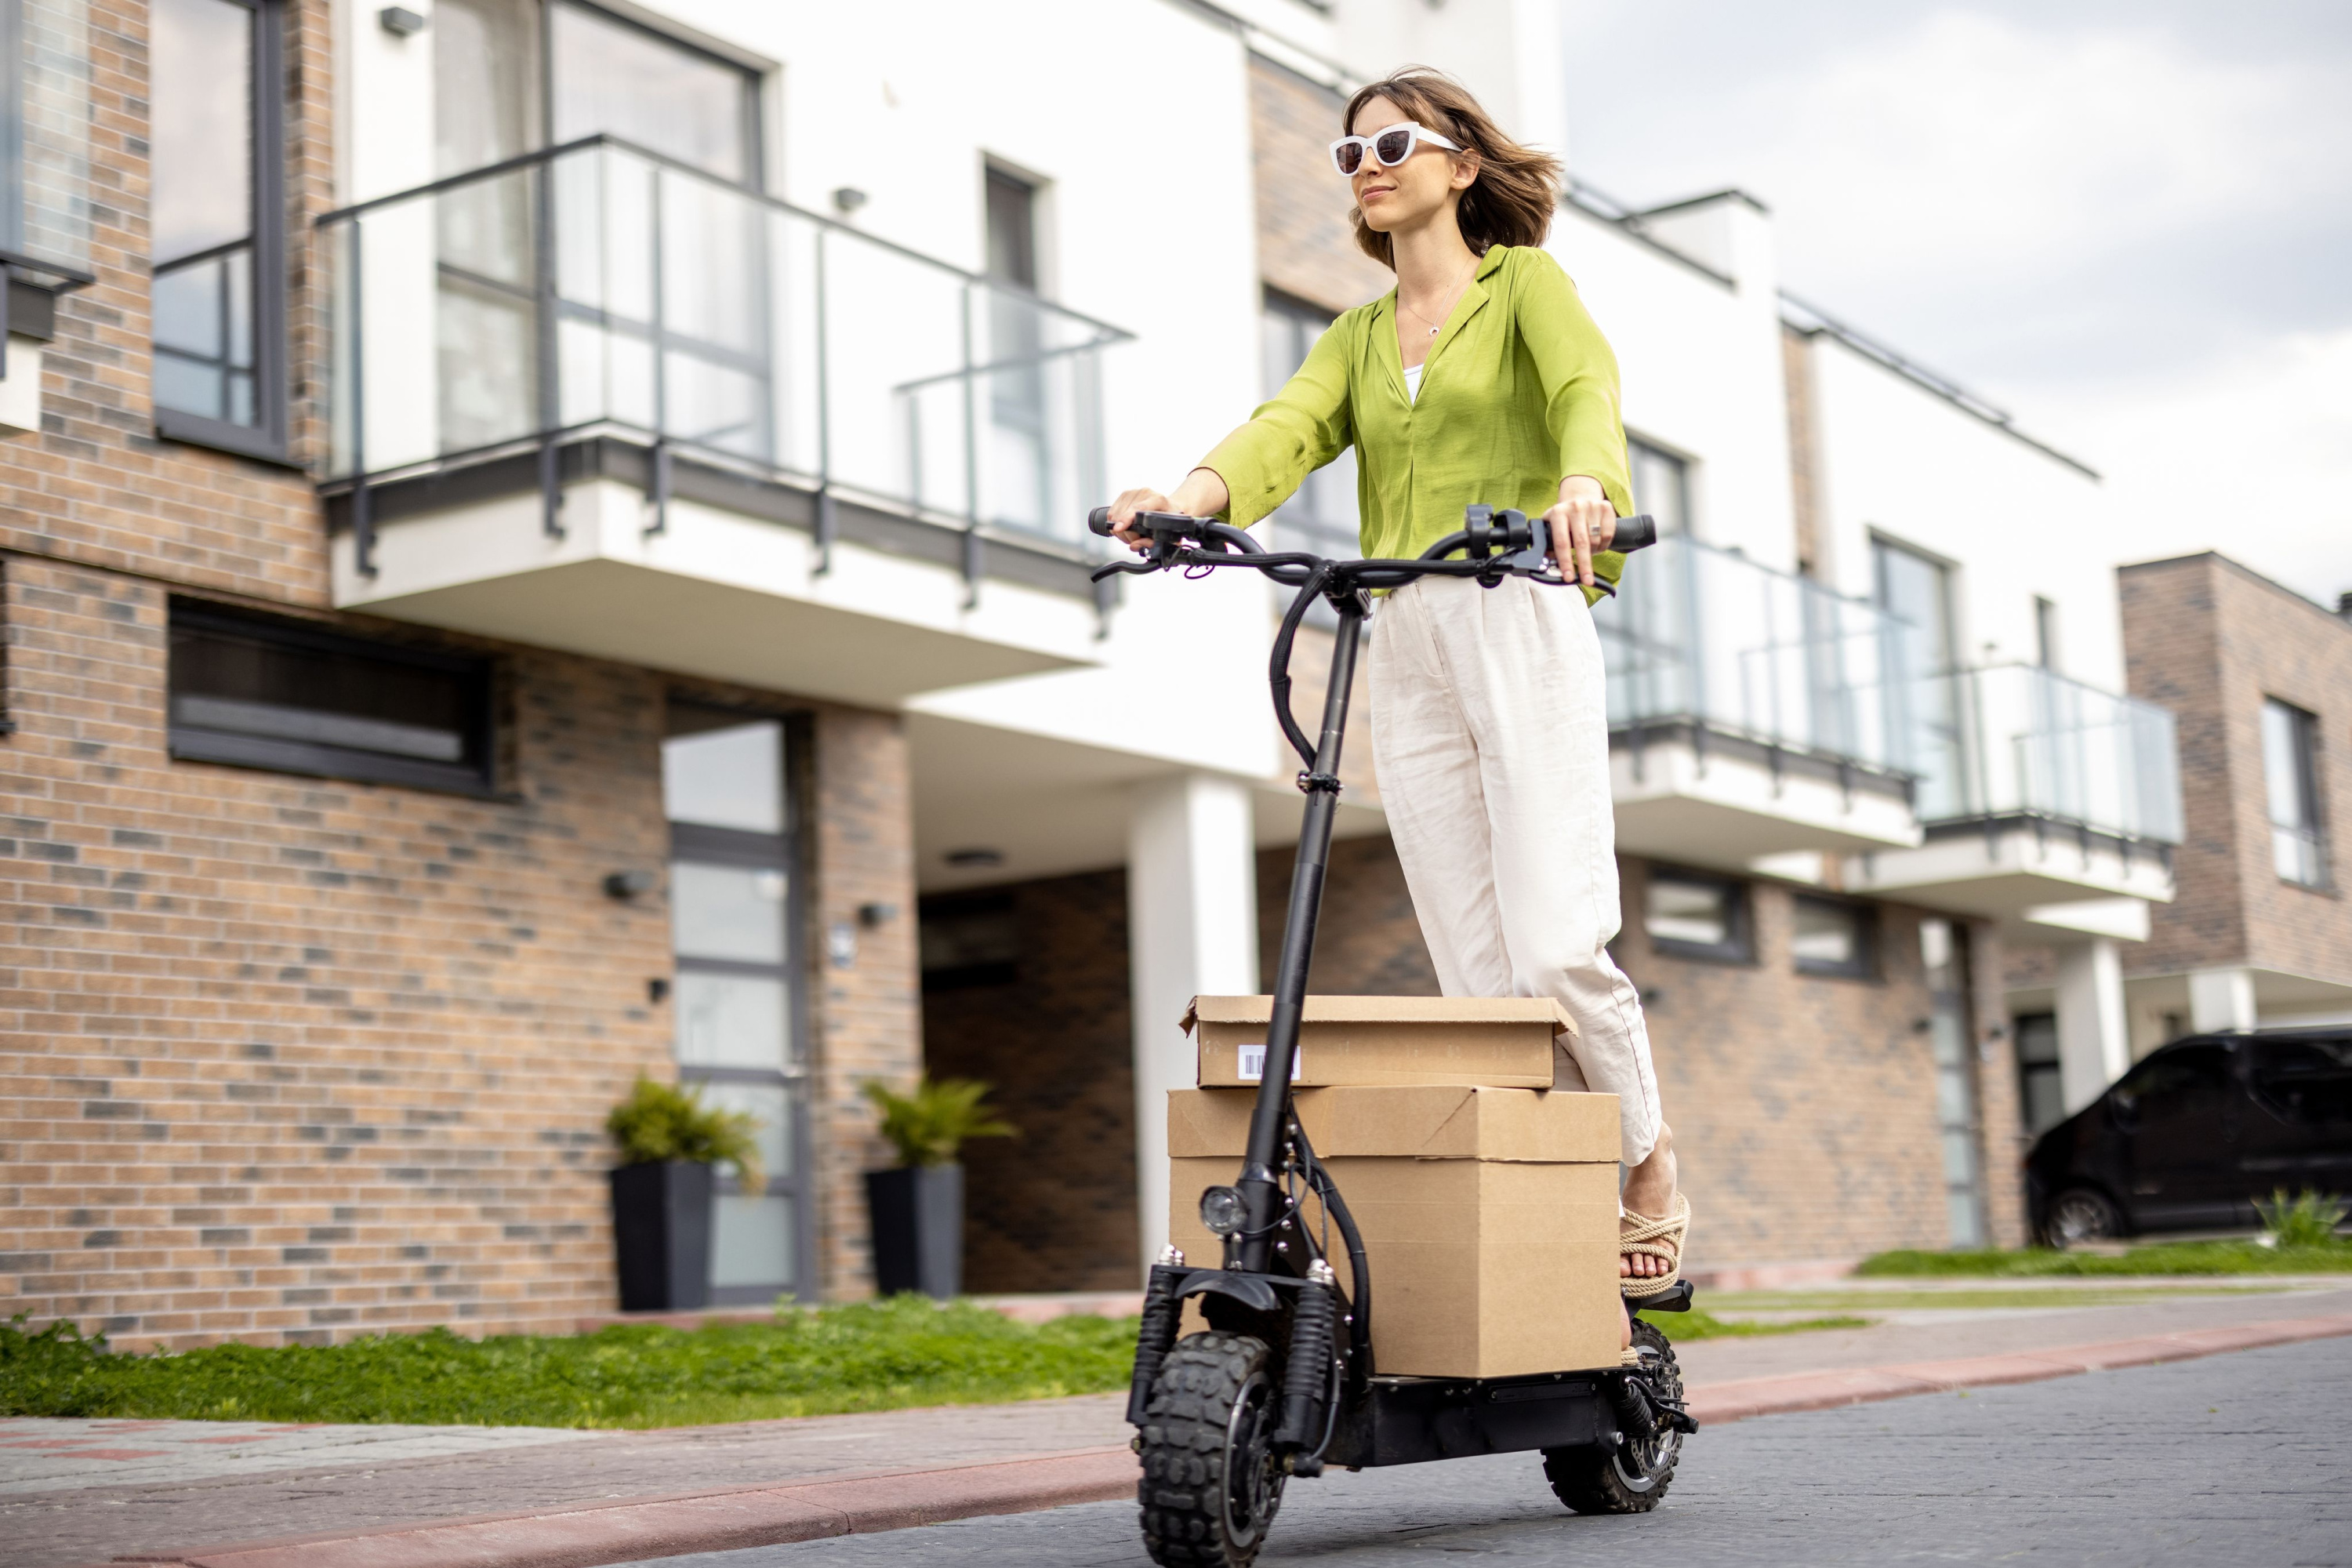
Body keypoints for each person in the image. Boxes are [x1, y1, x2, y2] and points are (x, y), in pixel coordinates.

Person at [1106, 68, 1687, 1347]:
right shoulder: (1361, 335)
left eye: (1392, 142)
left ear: (1461, 163)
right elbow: (1289, 428)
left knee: (1553, 942)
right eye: (1348, 150)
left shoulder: (1522, 287)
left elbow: (1588, 388)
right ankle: (1542, 1210)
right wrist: (1186, 501)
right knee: (1476, 976)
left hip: (1518, 603)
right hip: (1404, 628)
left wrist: (1585, 486)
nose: (1366, 164)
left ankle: (1645, 1163)